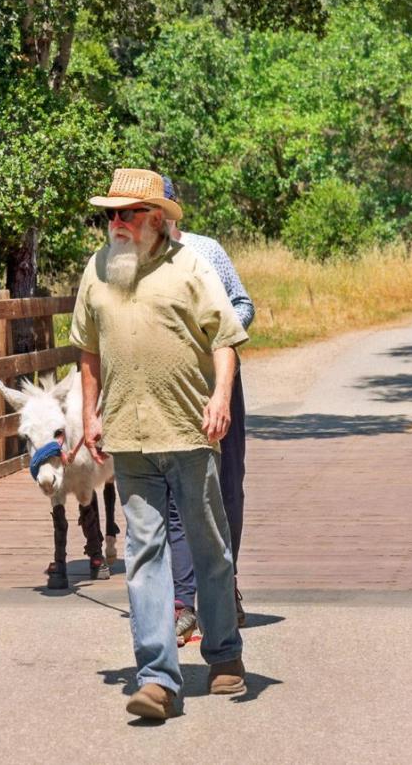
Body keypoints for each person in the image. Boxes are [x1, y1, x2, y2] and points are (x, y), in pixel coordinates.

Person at [70, 167, 250, 721]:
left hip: (189, 430)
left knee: (210, 546)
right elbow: (88, 349)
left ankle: (224, 653)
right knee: (144, 554)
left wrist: (221, 398)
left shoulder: (191, 266)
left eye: (126, 214)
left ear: (155, 219)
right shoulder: (98, 270)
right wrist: (89, 413)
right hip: (128, 436)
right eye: (110, 215)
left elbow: (225, 338)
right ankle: (157, 679)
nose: (116, 223)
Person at [159, 176, 254, 646]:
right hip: (166, 393)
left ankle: (226, 583)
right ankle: (183, 603)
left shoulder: (206, 251)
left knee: (227, 487)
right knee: (175, 496)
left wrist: (218, 335)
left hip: (218, 382)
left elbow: (242, 303)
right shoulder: (127, 262)